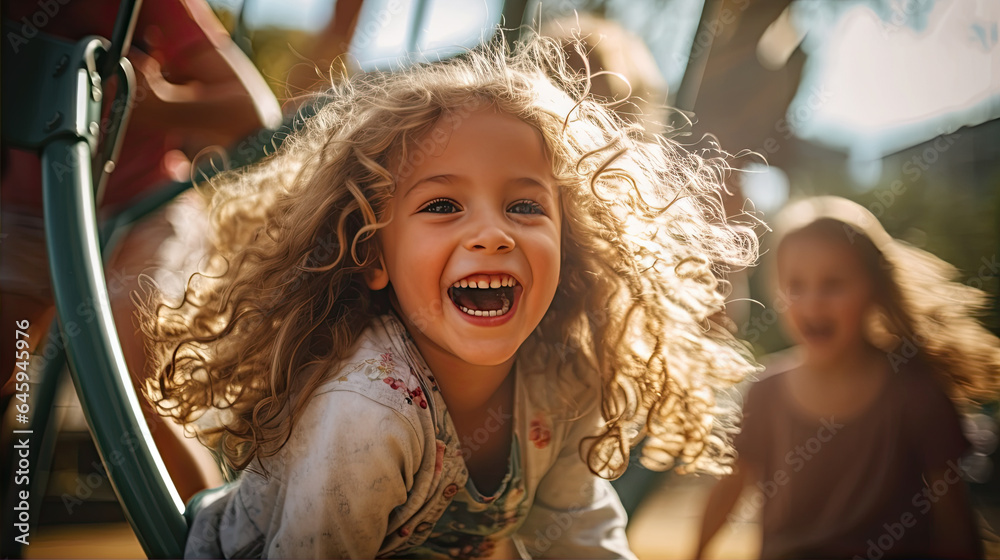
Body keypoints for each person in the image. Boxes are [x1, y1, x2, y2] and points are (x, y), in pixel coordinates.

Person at [140, 35, 759, 559]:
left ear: (569, 245)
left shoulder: (561, 381)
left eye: (524, 206)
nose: (492, 233)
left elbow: (579, 535)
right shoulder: (366, 412)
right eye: (441, 205)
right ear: (372, 255)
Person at [0, 0, 281, 501]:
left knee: (134, 378)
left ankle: (209, 534)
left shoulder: (150, 7)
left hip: (140, 211)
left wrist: (159, 104)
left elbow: (254, 112)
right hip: (27, 216)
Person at [696, 196, 1000, 559]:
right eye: (795, 285)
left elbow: (955, 520)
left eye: (833, 284)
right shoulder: (765, 392)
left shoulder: (916, 394)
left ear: (874, 287)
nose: (813, 302)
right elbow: (730, 486)